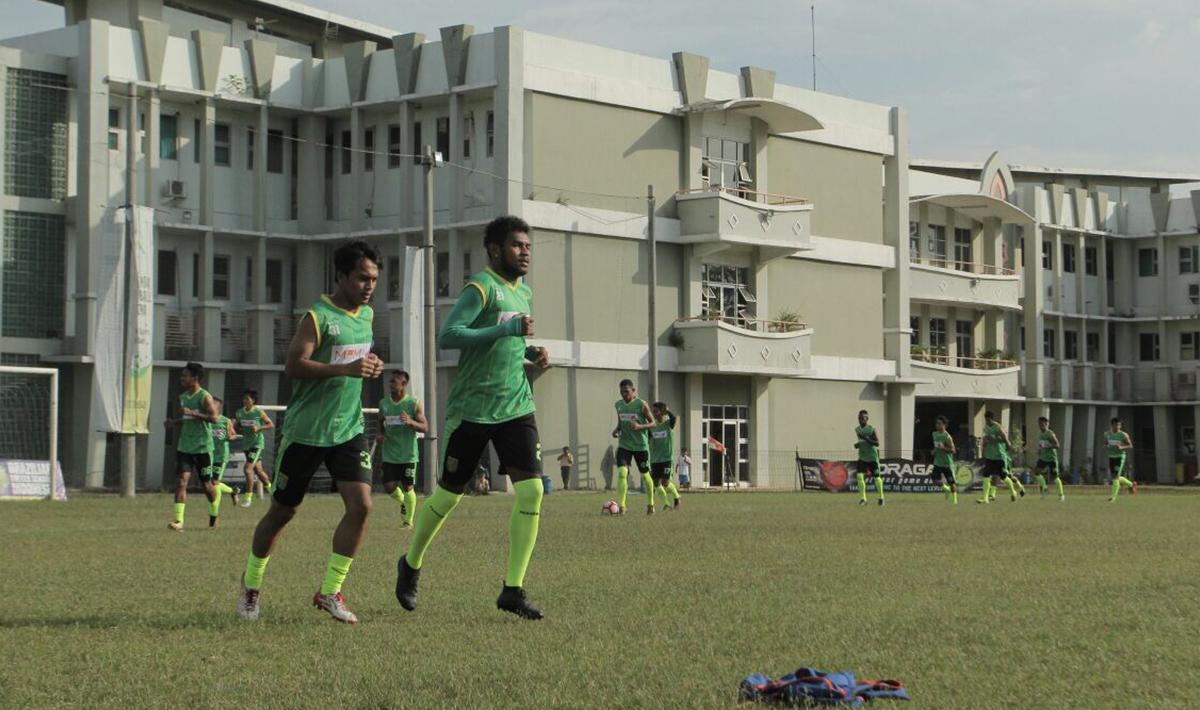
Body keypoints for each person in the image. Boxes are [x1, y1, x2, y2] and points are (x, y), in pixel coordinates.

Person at [394, 215, 551, 620]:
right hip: (473, 410)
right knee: (448, 496)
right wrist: (506, 331)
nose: (525, 252)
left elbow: (510, 343)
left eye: (528, 246)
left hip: (516, 405)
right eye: (517, 245)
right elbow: (449, 335)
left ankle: (512, 589)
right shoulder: (481, 288)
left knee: (532, 492)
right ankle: (410, 563)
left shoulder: (524, 292)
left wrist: (531, 354)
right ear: (495, 250)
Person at [236, 240, 384, 624]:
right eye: (362, 278)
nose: (369, 286)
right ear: (341, 276)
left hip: (348, 428)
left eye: (374, 279)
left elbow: (355, 361)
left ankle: (331, 590)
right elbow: (294, 365)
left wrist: (369, 364)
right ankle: (251, 585)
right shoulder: (317, 317)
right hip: (306, 432)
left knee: (363, 506)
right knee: (284, 512)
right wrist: (346, 370)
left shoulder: (366, 315)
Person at [163, 362, 219, 531]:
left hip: (202, 448)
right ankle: (179, 521)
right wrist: (174, 422)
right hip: (185, 447)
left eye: (185, 375)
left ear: (195, 378)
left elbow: (214, 418)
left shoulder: (204, 396)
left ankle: (214, 513)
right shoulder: (182, 397)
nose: (182, 378)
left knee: (207, 486)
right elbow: (188, 420)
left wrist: (193, 412)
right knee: (181, 482)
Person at [377, 370, 427, 528]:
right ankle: (403, 501)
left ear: (404, 384)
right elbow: (381, 422)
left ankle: (408, 522)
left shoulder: (413, 403)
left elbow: (425, 427)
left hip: (408, 454)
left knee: (408, 486)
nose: (391, 384)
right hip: (389, 453)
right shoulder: (383, 403)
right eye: (390, 381)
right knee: (389, 486)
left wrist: (411, 422)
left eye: (394, 382)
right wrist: (381, 434)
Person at [612, 379, 654, 514]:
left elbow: (653, 423)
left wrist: (639, 426)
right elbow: (621, 422)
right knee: (622, 472)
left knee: (645, 475)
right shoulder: (618, 405)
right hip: (624, 445)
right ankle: (622, 506)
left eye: (626, 392)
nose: (624, 394)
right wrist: (617, 429)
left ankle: (650, 504)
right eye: (621, 392)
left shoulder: (642, 404)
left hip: (641, 446)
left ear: (633, 390)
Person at [235, 389, 274, 506]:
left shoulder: (258, 412)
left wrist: (258, 428)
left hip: (256, 444)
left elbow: (270, 424)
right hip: (246, 444)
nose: (245, 401)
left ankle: (248, 498)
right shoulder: (239, 413)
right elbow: (238, 426)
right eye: (244, 398)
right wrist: (235, 426)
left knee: (247, 469)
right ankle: (274, 493)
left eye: (247, 398)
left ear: (253, 400)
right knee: (259, 471)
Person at [207, 397, 242, 522]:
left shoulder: (225, 421)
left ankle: (213, 518)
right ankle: (233, 491)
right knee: (208, 484)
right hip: (207, 455)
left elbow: (232, 435)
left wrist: (229, 436)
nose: (211, 406)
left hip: (220, 456)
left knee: (215, 483)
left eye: (214, 404)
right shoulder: (206, 420)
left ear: (218, 407)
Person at [647, 402, 682, 512]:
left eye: (656, 411)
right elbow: (646, 436)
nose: (654, 414)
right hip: (655, 459)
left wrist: (668, 411)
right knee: (656, 483)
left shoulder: (668, 424)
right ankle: (666, 504)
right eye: (653, 412)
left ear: (662, 412)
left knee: (665, 483)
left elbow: (674, 418)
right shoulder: (652, 427)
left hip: (667, 458)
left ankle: (677, 497)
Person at [977, 410, 1018, 504]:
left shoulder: (998, 427)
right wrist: (983, 451)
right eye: (986, 420)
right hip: (990, 456)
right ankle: (985, 498)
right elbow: (985, 440)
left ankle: (1013, 492)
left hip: (999, 456)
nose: (987, 422)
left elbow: (1004, 439)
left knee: (1004, 477)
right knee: (986, 475)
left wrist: (1009, 447)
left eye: (988, 420)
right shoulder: (986, 428)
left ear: (992, 419)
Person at [854, 410, 884, 506]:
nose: (860, 420)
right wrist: (858, 445)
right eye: (859, 418)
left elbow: (877, 443)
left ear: (867, 419)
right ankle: (863, 499)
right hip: (862, 457)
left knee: (877, 478)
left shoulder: (871, 429)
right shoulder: (857, 430)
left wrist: (867, 439)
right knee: (859, 476)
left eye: (863, 418)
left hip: (872, 458)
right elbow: (861, 442)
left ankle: (881, 497)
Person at [1105, 417, 1137, 501]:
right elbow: (1105, 443)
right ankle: (1131, 484)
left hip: (1120, 457)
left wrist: (1122, 447)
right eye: (1116, 424)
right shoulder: (1107, 434)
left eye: (1119, 425)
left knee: (1115, 478)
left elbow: (1130, 445)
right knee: (1115, 477)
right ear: (1112, 425)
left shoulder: (1123, 435)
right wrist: (1107, 446)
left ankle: (1112, 497)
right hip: (1111, 456)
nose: (1118, 426)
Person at [1034, 416, 1064, 501]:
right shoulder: (1040, 434)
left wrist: (1048, 446)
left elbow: (1057, 445)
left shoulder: (1050, 433)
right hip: (1043, 457)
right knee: (1036, 472)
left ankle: (1061, 495)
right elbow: (1041, 445)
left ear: (1046, 424)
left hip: (1051, 458)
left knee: (1055, 477)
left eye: (1042, 423)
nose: (1040, 425)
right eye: (1039, 423)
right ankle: (1044, 489)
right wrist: (1039, 451)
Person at [930, 415, 957, 504]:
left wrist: (943, 448)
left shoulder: (947, 437)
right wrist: (934, 451)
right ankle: (946, 489)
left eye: (940, 424)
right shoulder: (934, 434)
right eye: (937, 423)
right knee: (934, 479)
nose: (937, 425)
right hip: (938, 462)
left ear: (945, 425)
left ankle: (954, 500)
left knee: (952, 483)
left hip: (947, 463)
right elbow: (936, 447)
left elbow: (953, 450)